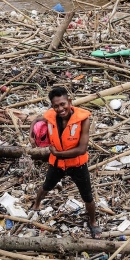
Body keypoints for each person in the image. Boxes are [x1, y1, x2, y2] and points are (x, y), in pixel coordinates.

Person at [29, 87, 100, 239]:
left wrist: (58, 154)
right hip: (57, 164)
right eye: (56, 106)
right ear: (52, 107)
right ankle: (36, 205)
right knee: (46, 186)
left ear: (69, 101)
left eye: (63, 104)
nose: (60, 109)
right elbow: (35, 120)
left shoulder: (83, 120)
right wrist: (31, 135)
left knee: (87, 196)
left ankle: (93, 223)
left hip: (77, 164)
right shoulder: (50, 117)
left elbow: (82, 149)